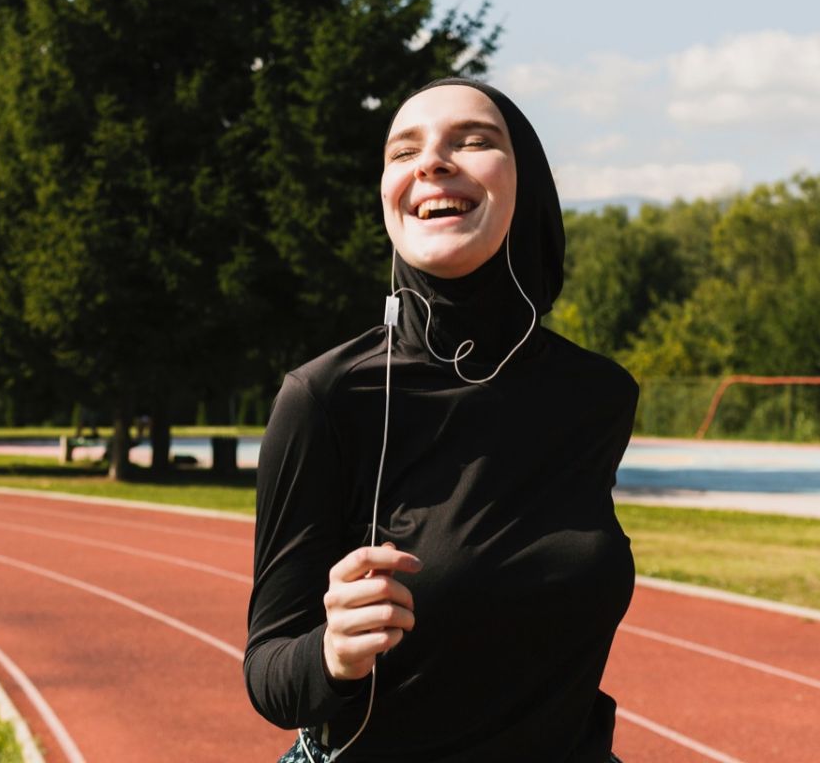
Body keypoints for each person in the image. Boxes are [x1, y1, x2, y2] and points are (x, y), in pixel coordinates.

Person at [244, 78, 636, 762]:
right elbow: (270, 675)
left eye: (474, 140)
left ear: (529, 185)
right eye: (404, 152)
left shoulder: (598, 397)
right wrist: (333, 653)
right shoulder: (325, 398)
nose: (431, 162)